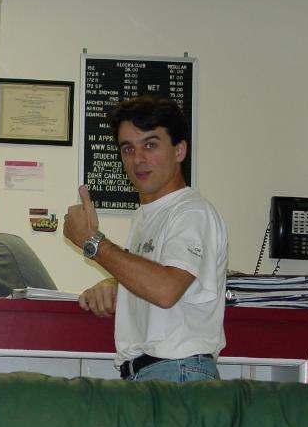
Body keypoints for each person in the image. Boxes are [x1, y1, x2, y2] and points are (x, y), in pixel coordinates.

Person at [62, 95, 227, 382]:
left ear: (179, 150)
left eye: (150, 145)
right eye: (128, 149)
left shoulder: (191, 211)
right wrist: (114, 284)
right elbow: (158, 279)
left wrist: (93, 242)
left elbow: (166, 289)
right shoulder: (145, 217)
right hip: (149, 373)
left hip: (177, 372)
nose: (138, 159)